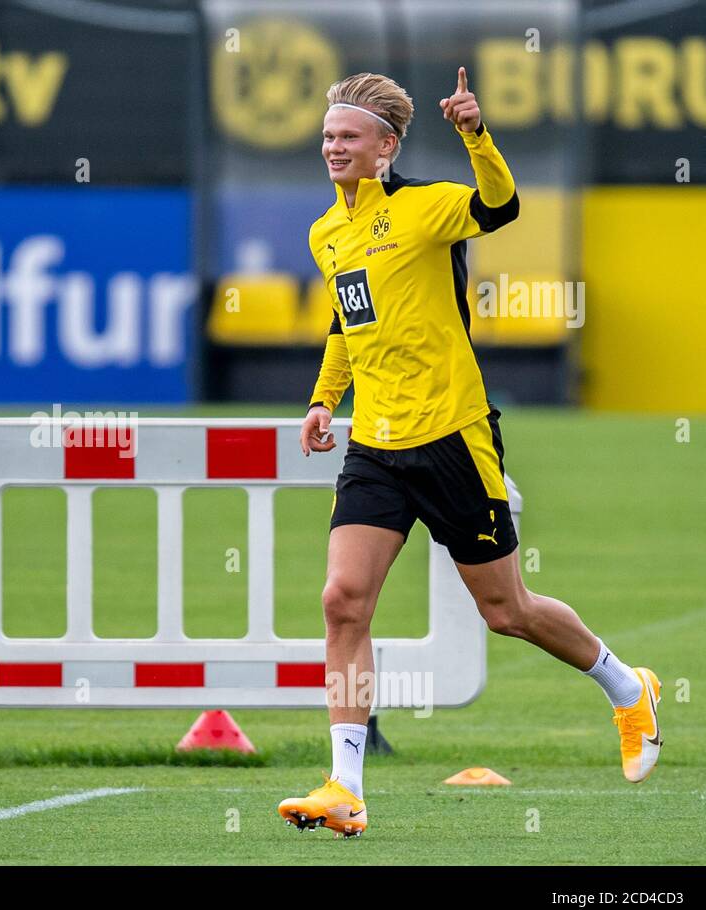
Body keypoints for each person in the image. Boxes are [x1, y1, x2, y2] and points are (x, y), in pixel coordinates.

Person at [276, 69, 662, 839]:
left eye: (348, 136)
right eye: (327, 135)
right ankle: (345, 788)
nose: (333, 146)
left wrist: (475, 134)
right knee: (341, 601)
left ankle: (628, 687)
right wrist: (325, 400)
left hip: (453, 437)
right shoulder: (327, 232)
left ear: (386, 147)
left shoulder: (426, 207)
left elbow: (501, 204)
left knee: (506, 611)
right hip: (376, 447)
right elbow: (348, 326)